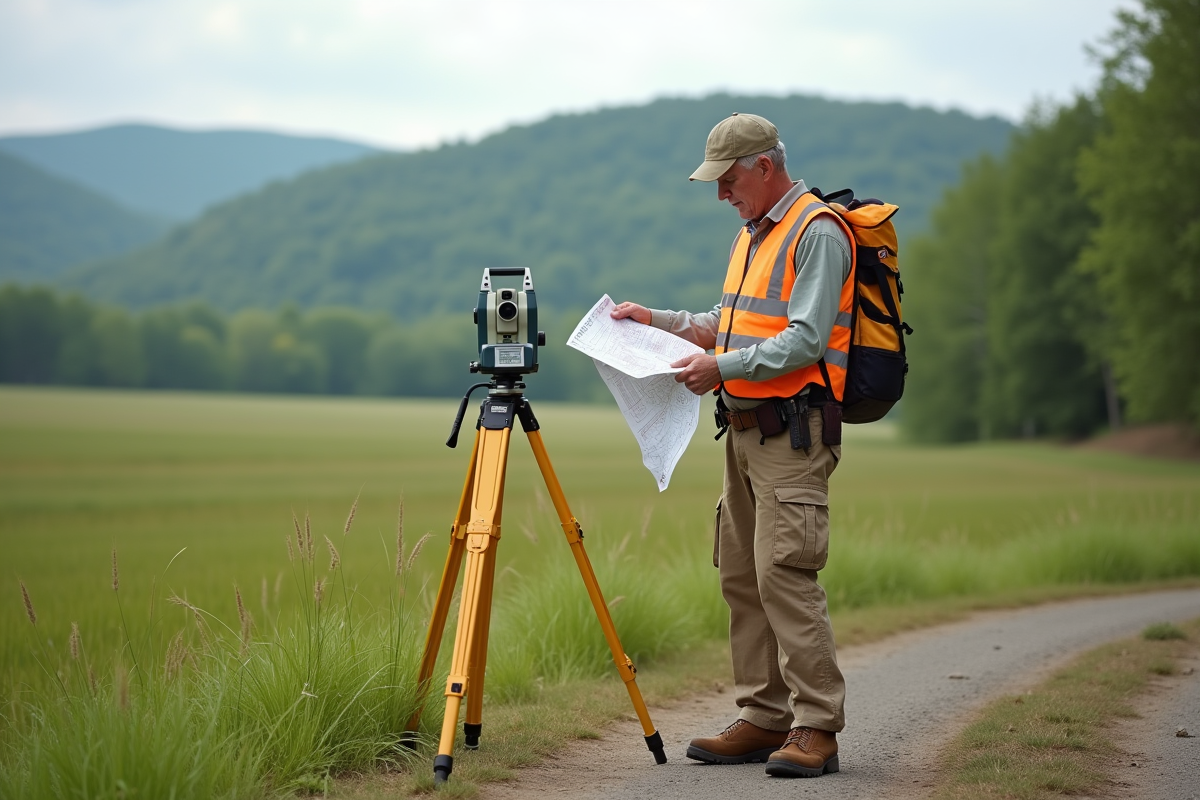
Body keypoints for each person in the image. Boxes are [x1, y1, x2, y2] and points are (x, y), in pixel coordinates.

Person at [611, 112, 852, 779]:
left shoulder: (817, 232)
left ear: (765, 167)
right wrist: (654, 321)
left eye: (728, 179)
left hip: (793, 433)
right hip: (743, 433)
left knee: (785, 574)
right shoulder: (753, 234)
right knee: (742, 575)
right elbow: (731, 324)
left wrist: (720, 369)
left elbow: (803, 340)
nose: (721, 194)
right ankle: (764, 715)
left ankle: (816, 727)